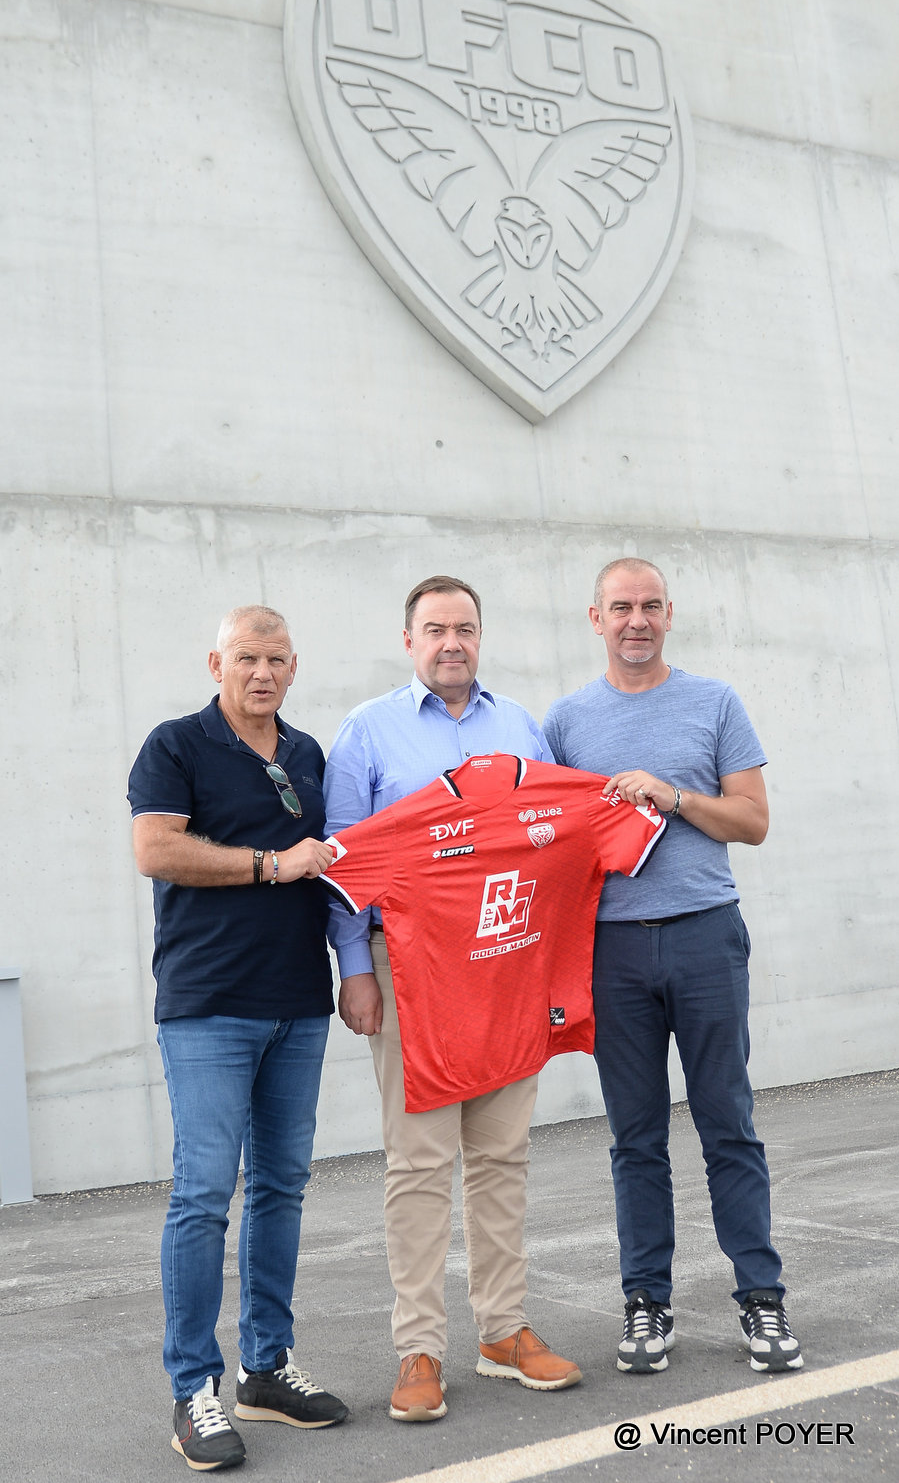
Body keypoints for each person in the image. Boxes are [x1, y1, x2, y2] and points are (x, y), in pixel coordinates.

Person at [323, 575, 581, 1422]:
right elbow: (342, 859)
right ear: (409, 640)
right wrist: (353, 967)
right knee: (421, 1161)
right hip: (409, 972)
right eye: (434, 629)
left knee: (502, 1154)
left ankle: (502, 1329)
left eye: (464, 628)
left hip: (506, 963)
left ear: (479, 636)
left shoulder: (522, 727)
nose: (451, 643)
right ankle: (419, 1346)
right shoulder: (368, 730)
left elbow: (555, 837)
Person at [543, 559, 803, 1378]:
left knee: (727, 1121)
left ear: (667, 613)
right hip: (610, 949)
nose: (636, 620)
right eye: (621, 606)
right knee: (635, 1136)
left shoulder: (713, 701)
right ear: (595, 618)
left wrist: (673, 796)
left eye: (650, 605)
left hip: (703, 936)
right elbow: (548, 840)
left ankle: (760, 1296)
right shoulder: (565, 722)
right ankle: (645, 1302)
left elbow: (752, 820)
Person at [128, 605, 348, 1472]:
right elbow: (155, 849)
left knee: (282, 1186)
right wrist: (268, 863)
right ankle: (193, 1388)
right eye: (247, 657)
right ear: (216, 662)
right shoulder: (175, 745)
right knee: (203, 1193)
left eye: (277, 659)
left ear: (294, 667)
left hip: (298, 999)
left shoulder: (306, 752)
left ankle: (265, 1367)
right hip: (208, 1003)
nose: (263, 672)